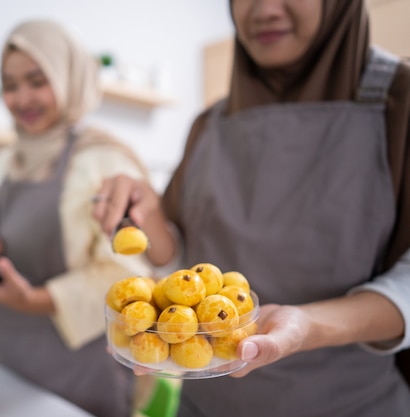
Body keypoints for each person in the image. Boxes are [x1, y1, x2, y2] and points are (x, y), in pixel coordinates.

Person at [93, 1, 410, 416]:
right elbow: (180, 259)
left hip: (347, 404)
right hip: (205, 403)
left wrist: (308, 326)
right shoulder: (209, 124)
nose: (264, 9)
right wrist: (149, 214)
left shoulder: (399, 101)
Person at [0, 19, 152, 417]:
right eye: (10, 85)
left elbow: (130, 279)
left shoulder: (105, 160)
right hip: (3, 354)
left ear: (68, 78)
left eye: (37, 81)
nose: (22, 98)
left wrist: (38, 300)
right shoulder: (6, 161)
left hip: (77, 371)